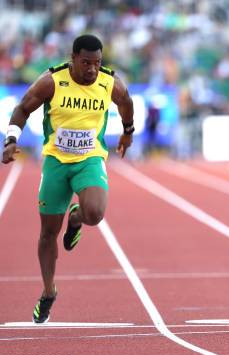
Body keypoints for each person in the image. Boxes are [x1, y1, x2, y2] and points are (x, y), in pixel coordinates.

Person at [1, 35, 134, 323]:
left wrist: (128, 131)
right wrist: (11, 140)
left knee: (95, 214)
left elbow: (125, 101)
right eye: (86, 63)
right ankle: (49, 291)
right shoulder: (52, 81)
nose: (91, 70)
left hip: (89, 159)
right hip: (56, 163)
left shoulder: (109, 83)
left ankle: (77, 219)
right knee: (48, 233)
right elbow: (23, 108)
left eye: (97, 63)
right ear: (72, 58)